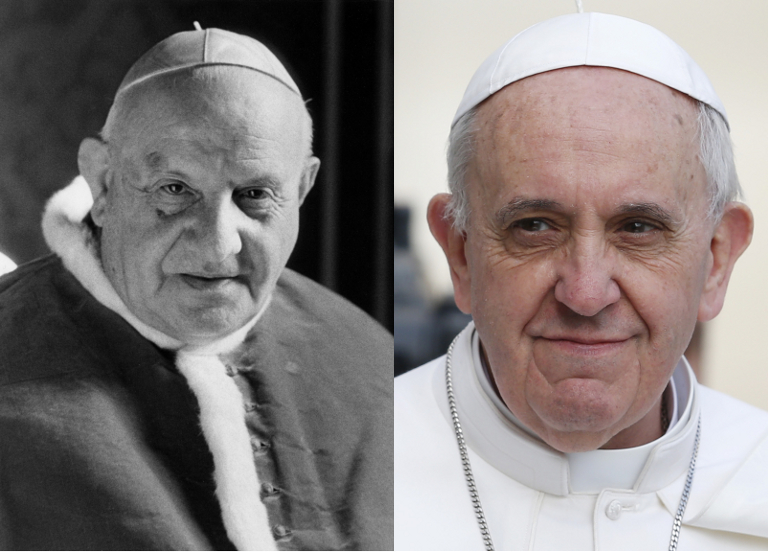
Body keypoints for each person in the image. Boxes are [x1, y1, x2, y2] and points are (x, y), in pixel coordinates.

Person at [0, 27, 393, 551]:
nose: (218, 246)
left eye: (255, 194)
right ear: (103, 182)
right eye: (175, 190)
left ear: (301, 189)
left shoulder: (369, 358)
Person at [394, 12, 766, 551]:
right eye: (535, 227)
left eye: (638, 228)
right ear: (461, 254)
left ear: (716, 259)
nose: (586, 294)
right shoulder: (336, 481)